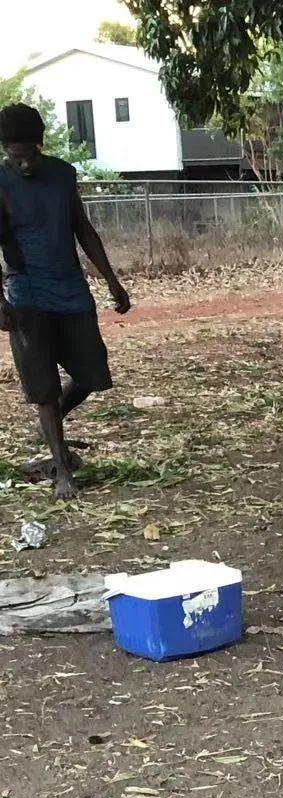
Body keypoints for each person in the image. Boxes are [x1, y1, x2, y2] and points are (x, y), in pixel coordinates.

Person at [0, 103, 131, 500]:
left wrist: (112, 280)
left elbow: (83, 229)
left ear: (41, 144)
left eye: (30, 154)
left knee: (92, 374)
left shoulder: (62, 175)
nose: (24, 165)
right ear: (4, 149)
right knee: (43, 387)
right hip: (27, 292)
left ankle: (53, 422)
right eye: (14, 156)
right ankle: (61, 470)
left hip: (71, 288)